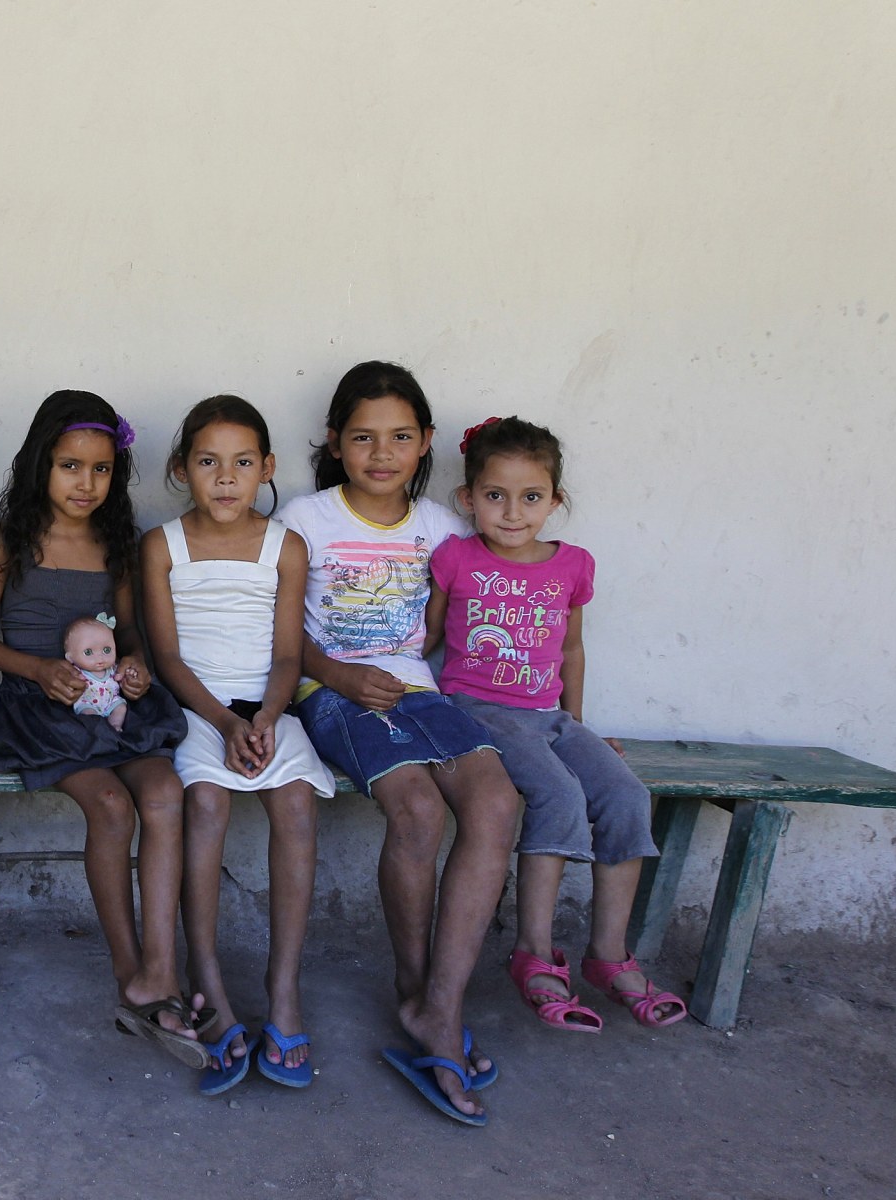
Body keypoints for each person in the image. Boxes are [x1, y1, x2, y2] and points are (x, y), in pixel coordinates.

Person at [274, 361, 521, 1126]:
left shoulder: (445, 530)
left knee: (497, 802)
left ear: (427, 444)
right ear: (335, 443)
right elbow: (278, 634)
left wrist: (560, 722)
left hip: (420, 690)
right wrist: (337, 676)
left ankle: (436, 1005)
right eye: (363, 437)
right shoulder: (305, 520)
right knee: (417, 811)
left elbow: (464, 632)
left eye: (401, 437)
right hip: (332, 693)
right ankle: (419, 996)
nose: (382, 453)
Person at [0, 390, 203, 1066]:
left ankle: (162, 967)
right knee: (111, 806)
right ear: (42, 465)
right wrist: (38, 670)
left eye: (100, 469)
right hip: (40, 711)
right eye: (71, 466)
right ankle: (135, 976)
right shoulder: (14, 540)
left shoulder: (116, 544)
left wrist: (133, 669)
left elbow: (137, 644)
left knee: (163, 794)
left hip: (112, 707)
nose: (85, 483)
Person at [429, 416, 685, 1032]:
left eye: (531, 497)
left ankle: (608, 955)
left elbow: (571, 651)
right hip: (476, 709)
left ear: (555, 502)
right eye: (495, 496)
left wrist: (579, 725)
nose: (512, 512)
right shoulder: (456, 557)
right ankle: (535, 956)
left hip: (549, 717)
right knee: (558, 792)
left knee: (626, 793)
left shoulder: (572, 566)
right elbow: (427, 639)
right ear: (468, 499)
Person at [139, 395, 333, 1096]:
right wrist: (225, 724)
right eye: (209, 462)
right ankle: (209, 984)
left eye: (243, 462)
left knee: (297, 804)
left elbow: (287, 656)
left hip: (267, 708)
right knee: (210, 803)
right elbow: (166, 656)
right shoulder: (163, 546)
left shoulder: (286, 546)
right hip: (195, 707)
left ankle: (284, 994)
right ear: (182, 469)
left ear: (267, 469)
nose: (226, 477)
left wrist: (267, 720)